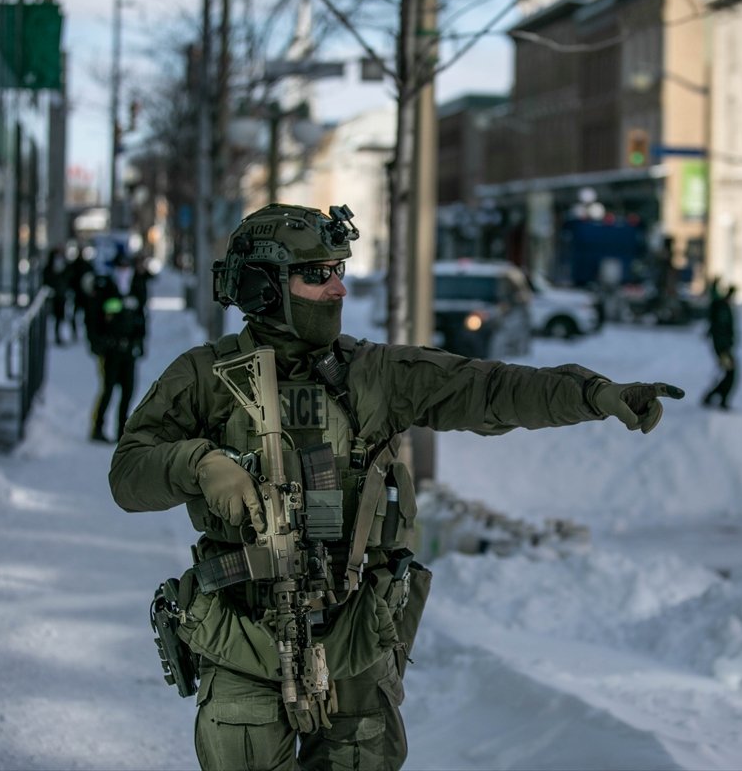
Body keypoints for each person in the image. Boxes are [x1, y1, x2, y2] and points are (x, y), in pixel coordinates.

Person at [108, 203, 685, 771]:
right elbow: (128, 474)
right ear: (264, 287)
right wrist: (198, 463)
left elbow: (489, 389)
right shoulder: (205, 376)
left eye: (339, 271)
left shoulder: (374, 375)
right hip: (241, 634)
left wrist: (594, 395)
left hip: (354, 633)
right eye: (316, 275)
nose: (337, 290)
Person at [86, 250, 148, 442]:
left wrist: (140, 341)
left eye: (126, 267)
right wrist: (97, 343)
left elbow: (141, 317)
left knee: (128, 390)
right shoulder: (106, 288)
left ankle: (122, 429)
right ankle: (98, 427)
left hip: (128, 349)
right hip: (110, 350)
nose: (124, 271)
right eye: (120, 267)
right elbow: (93, 318)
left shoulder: (136, 288)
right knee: (108, 389)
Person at [702, 279, 738, 410]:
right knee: (730, 373)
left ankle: (713, 397)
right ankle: (717, 398)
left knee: (729, 373)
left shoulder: (722, 306)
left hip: (723, 346)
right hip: (723, 348)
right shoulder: (721, 307)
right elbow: (721, 329)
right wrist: (725, 348)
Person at [41, 245, 71, 345]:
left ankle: (58, 335)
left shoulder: (65, 266)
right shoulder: (49, 268)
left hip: (61, 295)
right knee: (51, 316)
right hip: (53, 295)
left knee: (60, 316)